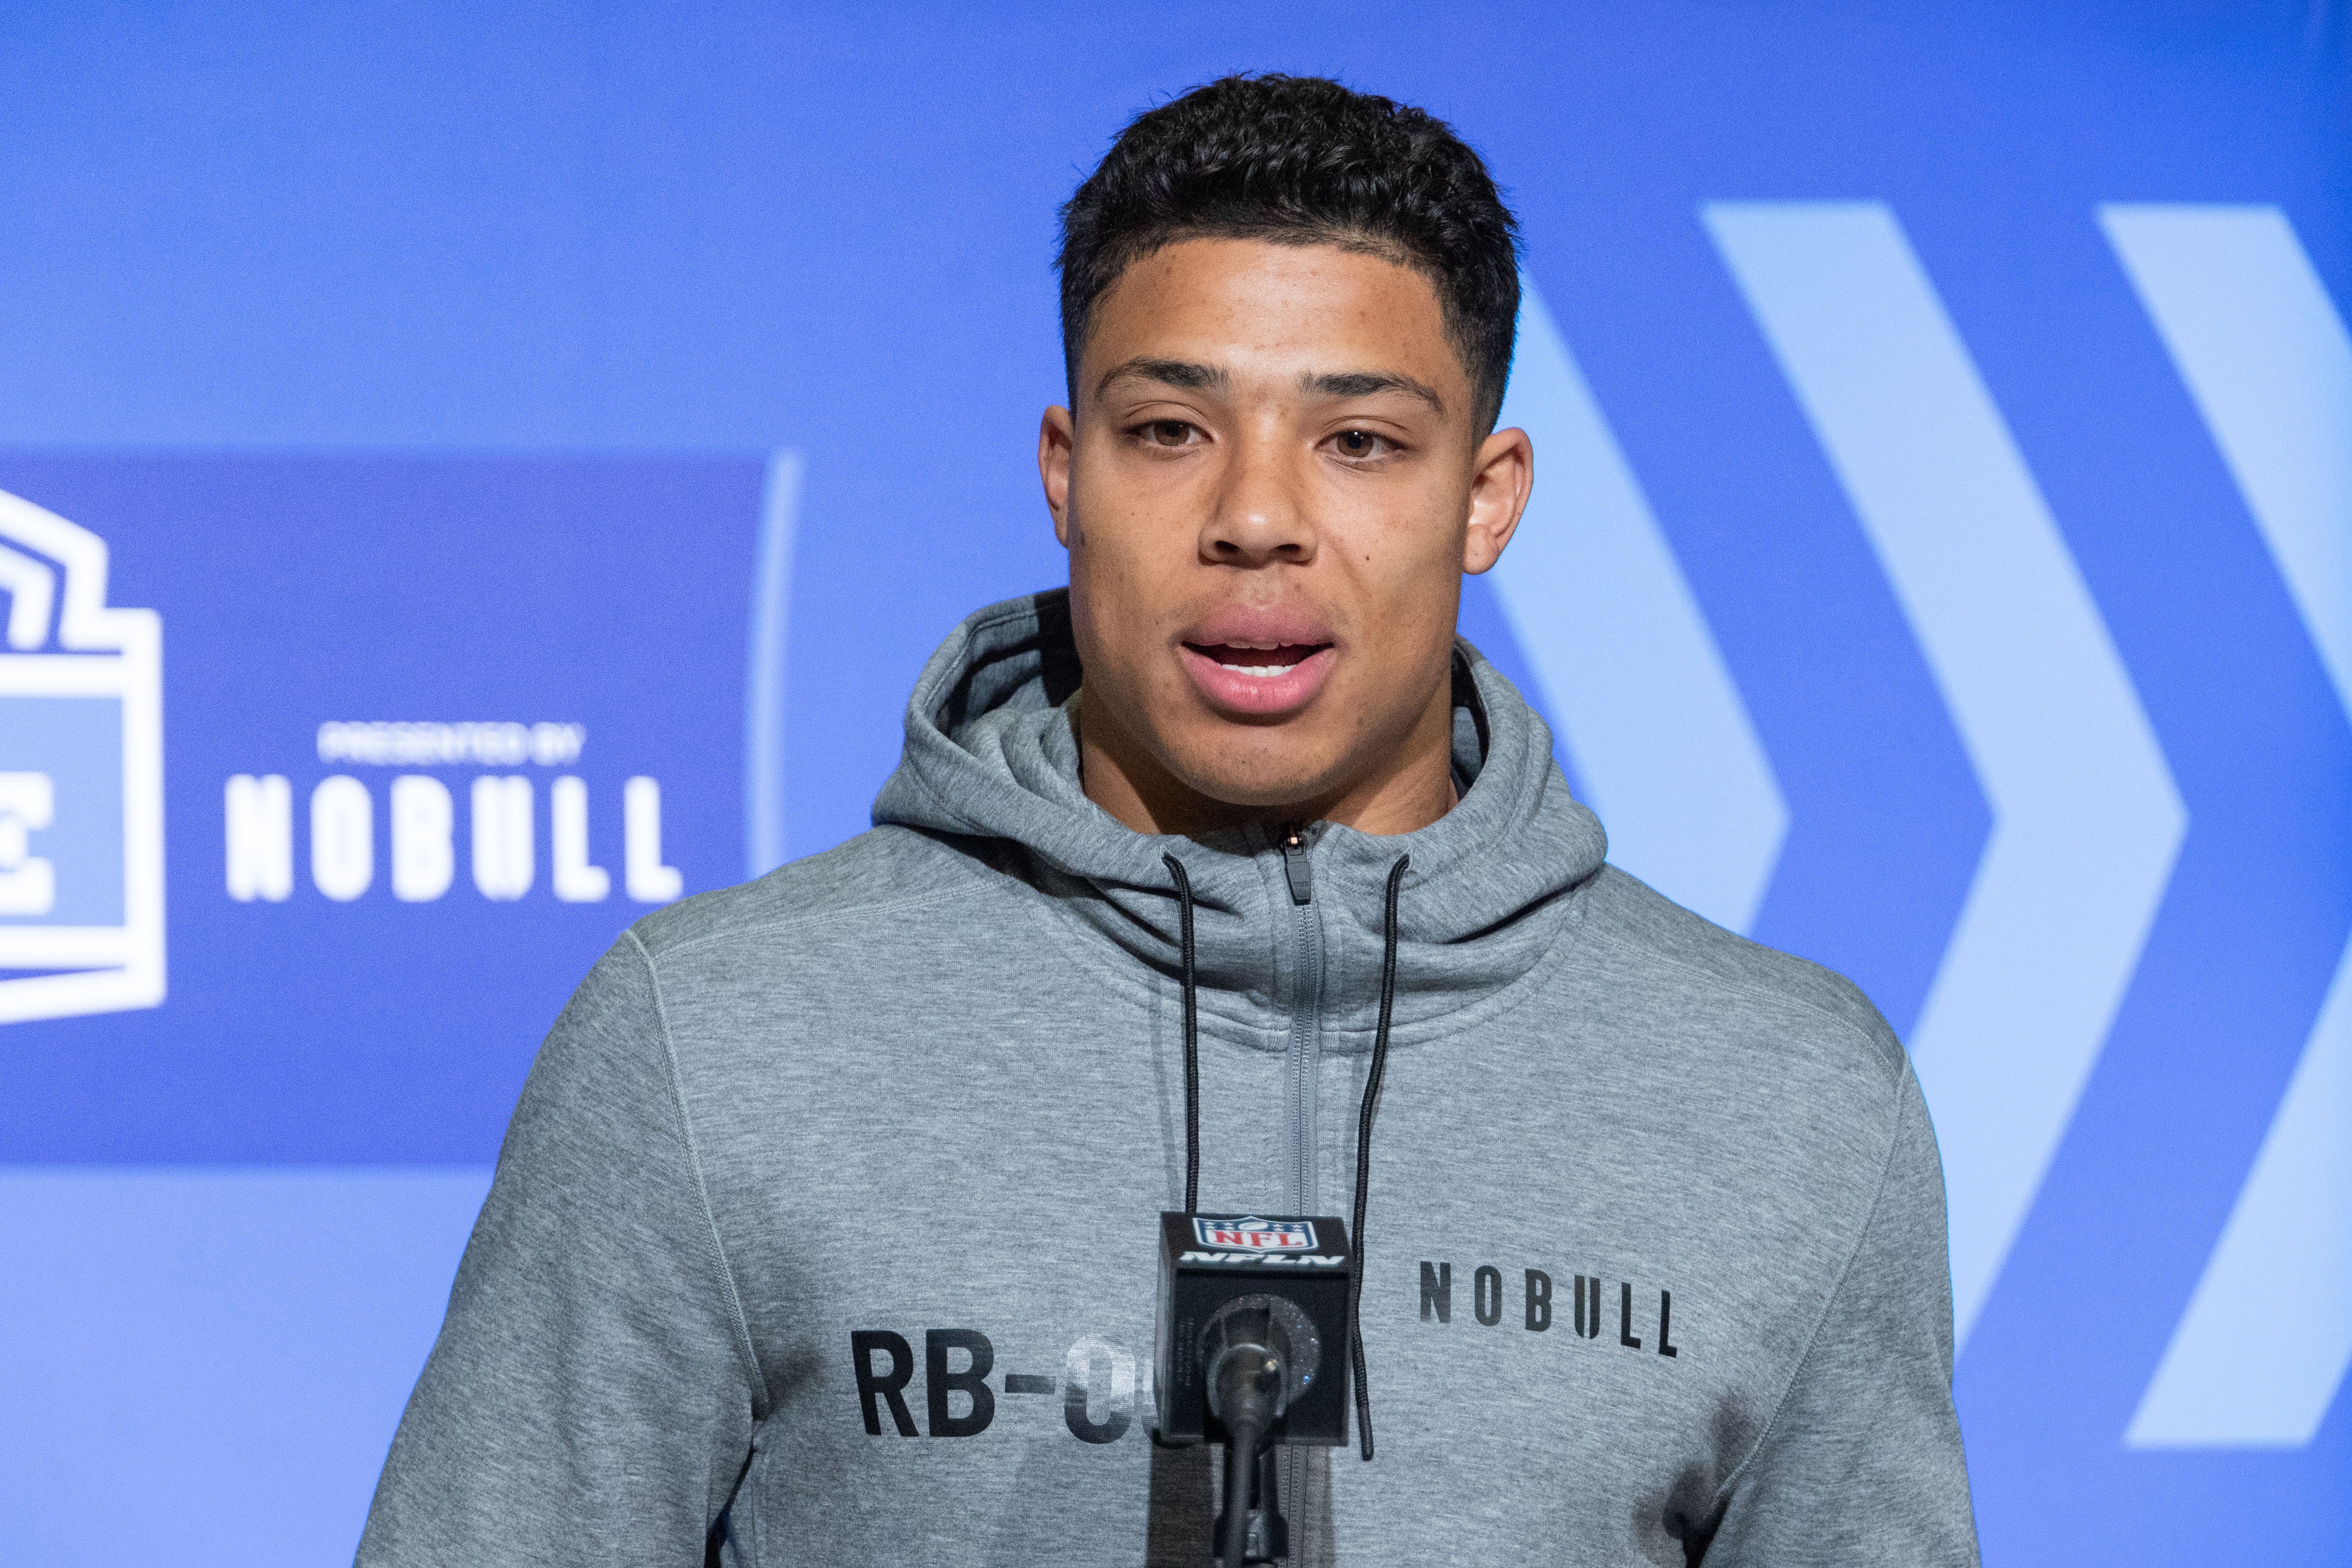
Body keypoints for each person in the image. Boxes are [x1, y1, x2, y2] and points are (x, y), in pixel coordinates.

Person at [358, 73, 1979, 1566]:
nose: (1258, 519)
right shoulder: (710, 1044)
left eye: (1358, 442)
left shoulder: (1790, 1102)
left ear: (1488, 496)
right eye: (1169, 432)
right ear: (1066, 473)